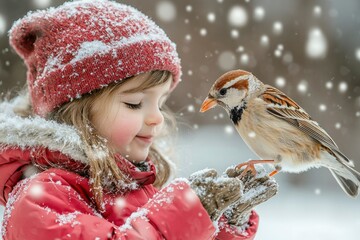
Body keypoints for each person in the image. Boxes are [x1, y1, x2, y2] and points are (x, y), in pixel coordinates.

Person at [0, 0, 277, 239]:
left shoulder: (133, 186)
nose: (156, 118)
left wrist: (219, 223)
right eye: (135, 103)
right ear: (78, 111)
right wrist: (185, 217)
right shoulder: (40, 199)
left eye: (161, 103)